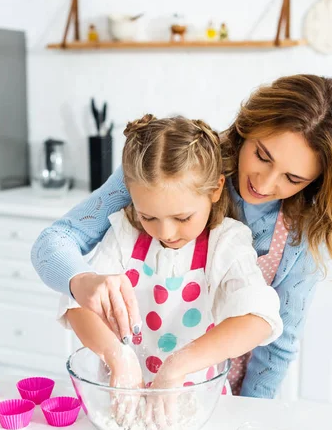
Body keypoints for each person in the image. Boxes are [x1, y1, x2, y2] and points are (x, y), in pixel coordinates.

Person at [32, 74, 332, 398]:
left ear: (316, 181)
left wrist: (246, 415)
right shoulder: (169, 169)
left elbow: (277, 344)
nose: (265, 184)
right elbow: (55, 240)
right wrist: (81, 281)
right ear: (247, 126)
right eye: (261, 155)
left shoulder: (300, 228)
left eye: (293, 178)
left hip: (217, 385)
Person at [57, 115, 282, 392]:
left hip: (198, 400)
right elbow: (78, 306)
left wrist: (177, 366)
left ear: (215, 189)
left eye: (183, 218)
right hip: (126, 396)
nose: (166, 232)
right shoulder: (125, 234)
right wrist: (118, 358)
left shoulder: (225, 243)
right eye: (148, 217)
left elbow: (258, 319)